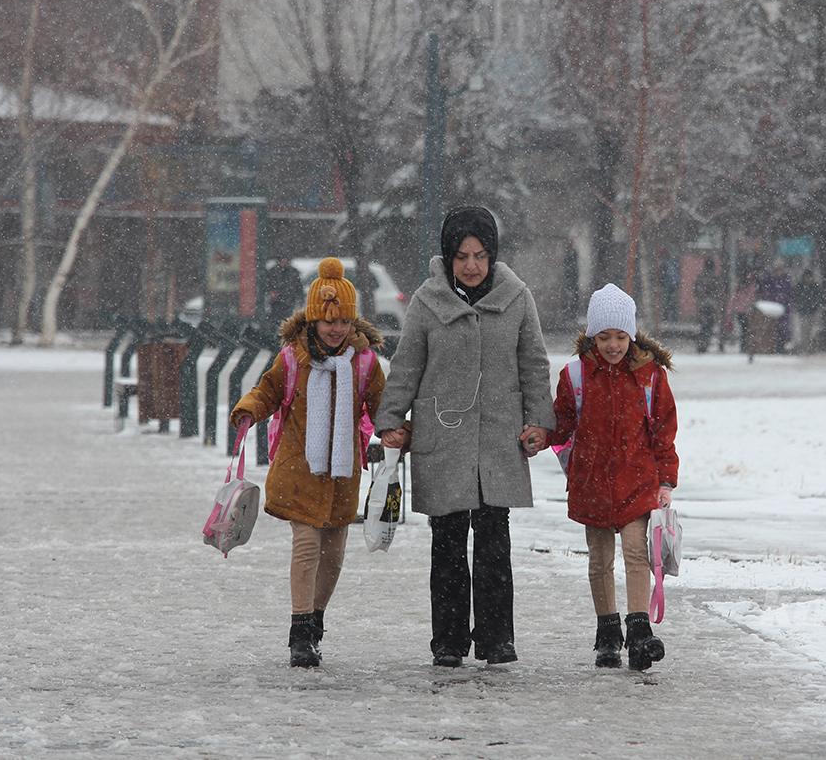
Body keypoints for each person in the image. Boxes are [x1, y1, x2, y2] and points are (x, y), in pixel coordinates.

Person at [376, 206, 554, 668]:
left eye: (479, 255)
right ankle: (449, 640)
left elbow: (534, 364)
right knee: (448, 542)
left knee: (494, 539)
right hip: (444, 438)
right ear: (448, 257)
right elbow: (406, 366)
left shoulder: (517, 298)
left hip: (499, 439)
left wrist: (539, 420)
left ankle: (497, 639)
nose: (471, 265)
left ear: (492, 255)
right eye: (461, 256)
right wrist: (391, 419)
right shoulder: (427, 302)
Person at [230, 257, 386, 668]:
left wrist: (397, 430)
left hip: (342, 473)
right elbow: (266, 391)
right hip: (299, 469)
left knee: (333, 555)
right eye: (328, 321)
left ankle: (315, 620)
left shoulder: (364, 363)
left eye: (344, 322)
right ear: (313, 319)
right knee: (306, 545)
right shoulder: (292, 359)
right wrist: (248, 409)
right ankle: (300, 632)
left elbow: (381, 406)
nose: (336, 329)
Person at [547, 284, 679, 671]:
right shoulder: (575, 376)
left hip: (637, 481)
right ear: (592, 336)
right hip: (591, 483)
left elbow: (663, 432)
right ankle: (607, 633)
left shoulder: (650, 377)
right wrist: (538, 434)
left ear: (631, 335)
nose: (613, 345)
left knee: (637, 552)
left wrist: (666, 481)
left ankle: (638, 630)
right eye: (604, 337)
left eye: (620, 336)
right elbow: (561, 424)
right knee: (600, 559)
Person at [693, 257, 723, 354]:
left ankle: (701, 344)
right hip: (712, 305)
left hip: (702, 304)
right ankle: (704, 343)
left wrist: (701, 297)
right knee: (709, 325)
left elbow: (696, 291)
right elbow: (718, 292)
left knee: (703, 325)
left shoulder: (700, 277)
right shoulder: (715, 278)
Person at [789, 269, 820, 353]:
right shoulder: (800, 286)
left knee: (811, 331)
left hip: (812, 312)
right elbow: (795, 297)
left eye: (809, 276)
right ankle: (804, 348)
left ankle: (810, 347)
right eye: (807, 276)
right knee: (803, 331)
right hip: (802, 312)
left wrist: (814, 307)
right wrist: (799, 306)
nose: (808, 278)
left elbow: (818, 298)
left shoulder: (814, 286)